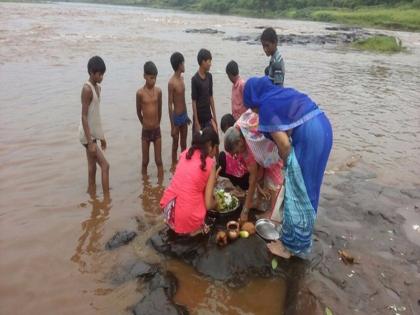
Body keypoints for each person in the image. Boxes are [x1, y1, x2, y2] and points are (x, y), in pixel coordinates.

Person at [243, 76, 333, 259]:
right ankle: (301, 240)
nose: (254, 111)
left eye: (252, 107)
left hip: (310, 135)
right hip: (323, 128)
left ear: (254, 98)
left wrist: (288, 168)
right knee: (309, 190)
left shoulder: (266, 107)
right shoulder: (279, 95)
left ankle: (290, 248)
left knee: (297, 190)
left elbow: (284, 145)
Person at [224, 110, 283, 222]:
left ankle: (272, 212)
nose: (236, 155)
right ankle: (258, 202)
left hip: (272, 146)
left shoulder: (249, 147)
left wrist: (245, 210)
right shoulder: (237, 128)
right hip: (262, 139)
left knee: (272, 181)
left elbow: (252, 178)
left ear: (240, 142)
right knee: (260, 174)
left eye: (236, 151)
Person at [160, 127, 220, 235]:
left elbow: (190, 181)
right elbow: (208, 204)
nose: (216, 152)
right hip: (186, 219)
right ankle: (192, 229)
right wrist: (217, 203)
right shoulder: (210, 164)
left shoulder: (185, 154)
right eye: (216, 147)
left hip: (169, 210)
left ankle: (175, 224)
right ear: (210, 146)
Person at [78, 56, 110, 199]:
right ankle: (107, 200)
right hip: (86, 136)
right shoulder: (87, 89)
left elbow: (95, 116)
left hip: (92, 134)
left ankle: (92, 197)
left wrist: (101, 137)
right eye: (100, 74)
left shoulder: (98, 88)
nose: (102, 77)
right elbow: (84, 116)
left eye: (103, 74)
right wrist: (90, 142)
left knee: (92, 169)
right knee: (105, 166)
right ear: (92, 72)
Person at [136, 61, 163, 177]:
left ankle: (161, 186)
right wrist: (144, 123)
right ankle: (144, 184)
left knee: (158, 160)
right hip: (146, 131)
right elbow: (138, 111)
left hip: (157, 130)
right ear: (144, 76)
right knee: (145, 161)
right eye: (151, 78)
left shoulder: (158, 91)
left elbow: (160, 109)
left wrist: (157, 122)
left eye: (155, 78)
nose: (153, 80)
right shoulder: (140, 93)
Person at [168, 52, 191, 168]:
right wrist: (172, 126)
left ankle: (183, 166)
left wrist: (187, 116)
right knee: (175, 145)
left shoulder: (181, 79)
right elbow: (169, 104)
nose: (184, 65)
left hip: (183, 115)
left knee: (184, 144)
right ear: (179, 65)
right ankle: (173, 166)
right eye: (183, 63)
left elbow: (183, 99)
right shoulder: (171, 82)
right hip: (176, 117)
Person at [218, 114, 249, 191]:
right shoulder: (234, 142)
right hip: (238, 172)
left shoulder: (242, 142)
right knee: (221, 157)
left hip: (244, 177)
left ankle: (239, 185)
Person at [191, 48, 218, 133]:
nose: (210, 64)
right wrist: (196, 122)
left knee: (213, 141)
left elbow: (211, 97)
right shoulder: (195, 79)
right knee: (198, 143)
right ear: (203, 62)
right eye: (209, 61)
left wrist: (214, 117)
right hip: (199, 118)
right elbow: (194, 101)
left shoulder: (209, 77)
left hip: (208, 117)